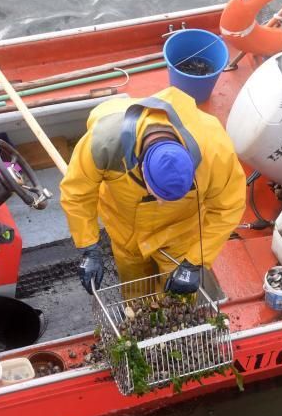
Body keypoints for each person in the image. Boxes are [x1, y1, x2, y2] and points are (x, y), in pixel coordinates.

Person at [60, 86, 246, 295]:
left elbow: (229, 207)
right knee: (135, 291)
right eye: (159, 196)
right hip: (125, 233)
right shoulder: (103, 143)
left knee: (178, 299)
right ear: (142, 172)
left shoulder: (216, 152)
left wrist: (195, 261)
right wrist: (88, 247)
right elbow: (77, 193)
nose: (161, 203)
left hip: (181, 234)